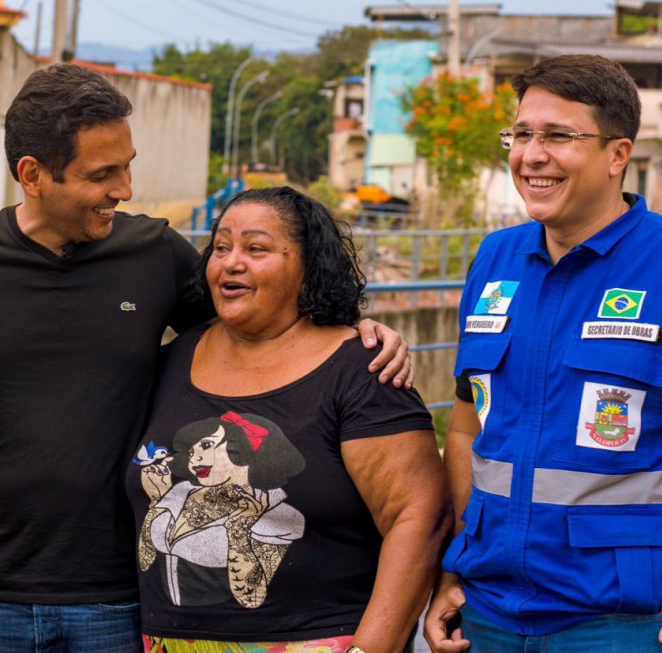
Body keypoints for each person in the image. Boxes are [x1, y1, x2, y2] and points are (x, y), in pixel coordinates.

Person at [0, 63, 414, 653]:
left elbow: (259, 330)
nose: (124, 188)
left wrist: (353, 326)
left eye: (127, 165)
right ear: (32, 174)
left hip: (119, 598)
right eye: (103, 174)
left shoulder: (155, 254)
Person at [423, 54, 662, 653]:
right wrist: (454, 568)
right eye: (522, 133)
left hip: (629, 626)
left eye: (560, 136)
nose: (532, 154)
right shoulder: (494, 261)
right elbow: (465, 430)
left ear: (617, 154)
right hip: (490, 619)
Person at [128, 187, 451, 653]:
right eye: (221, 247)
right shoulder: (173, 359)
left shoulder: (362, 371)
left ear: (307, 265)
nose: (231, 262)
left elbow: (421, 518)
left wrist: (371, 648)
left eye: (256, 248)